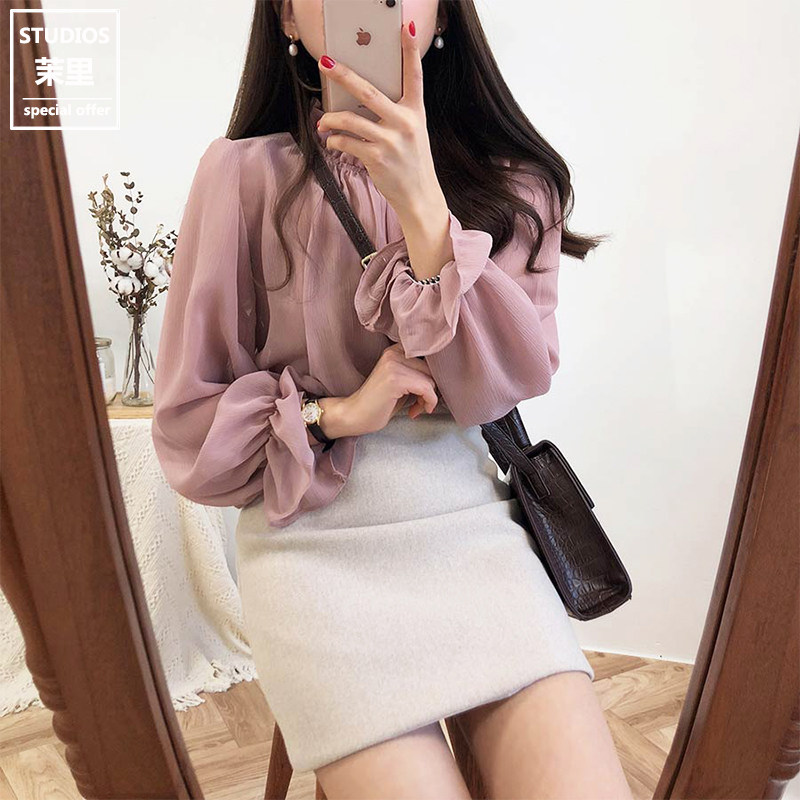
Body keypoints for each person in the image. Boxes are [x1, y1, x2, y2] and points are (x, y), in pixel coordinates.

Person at [152, 1, 634, 797]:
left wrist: (424, 207)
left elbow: (505, 380)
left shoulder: (517, 184)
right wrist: (331, 415)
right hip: (314, 551)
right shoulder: (240, 177)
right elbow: (185, 423)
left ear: (442, 16)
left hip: (477, 535)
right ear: (286, 20)